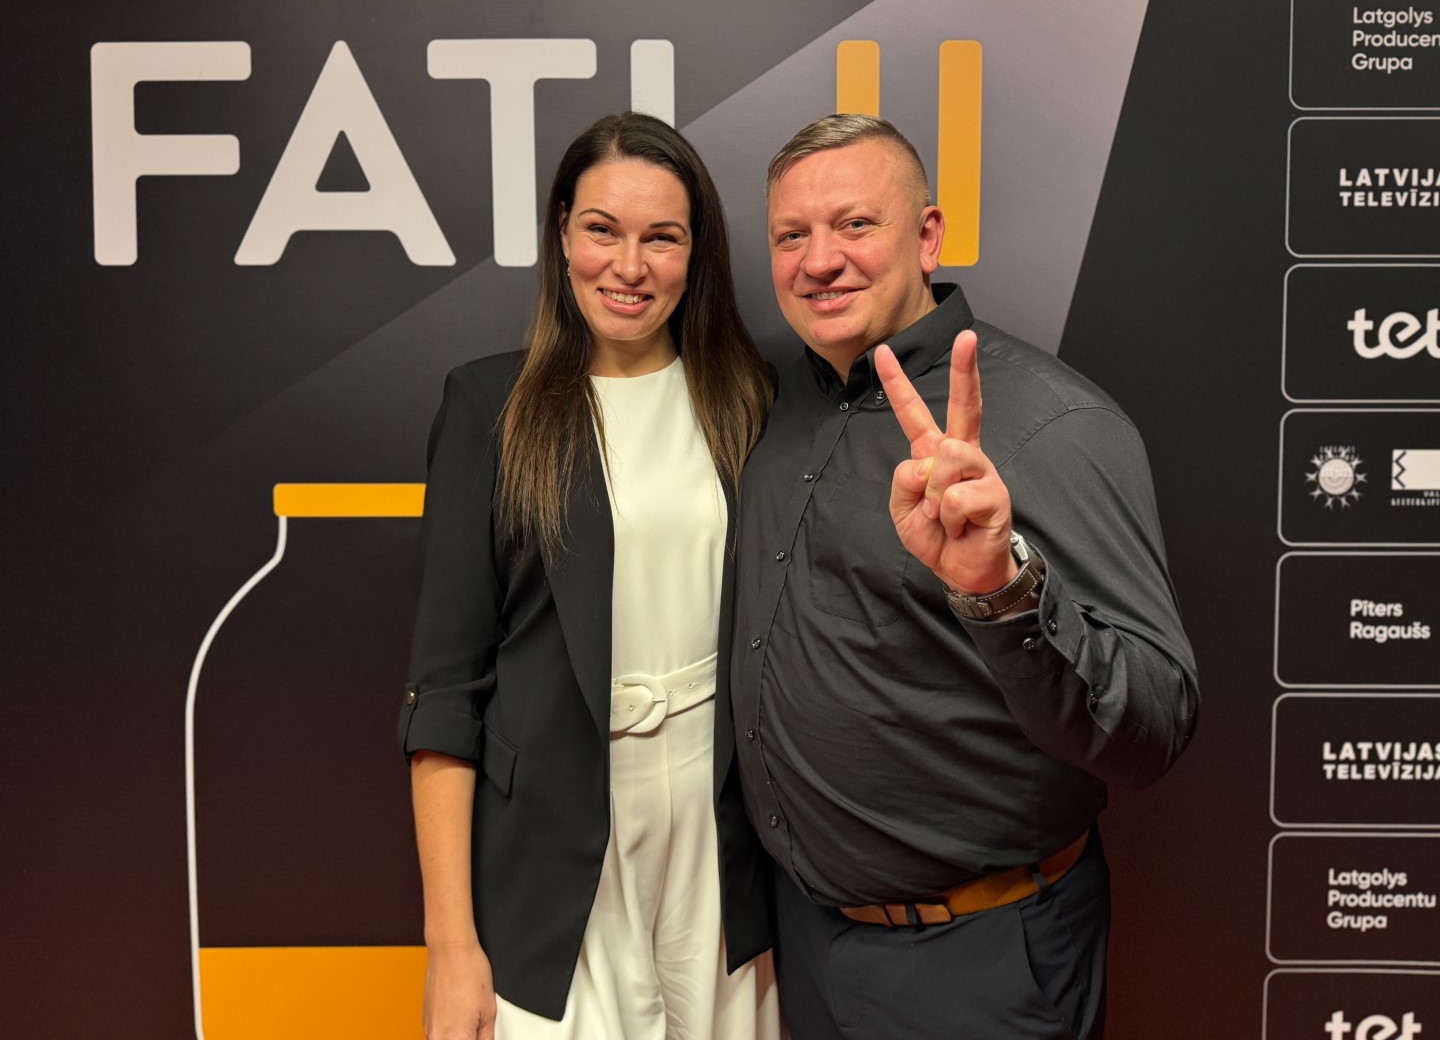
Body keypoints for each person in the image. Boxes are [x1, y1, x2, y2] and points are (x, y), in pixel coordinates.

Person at [731, 114, 1199, 1039]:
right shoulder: (780, 403)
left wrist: (1001, 587)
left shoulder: (1050, 426)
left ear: (928, 235)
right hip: (804, 945)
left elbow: (1156, 727)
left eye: (855, 225)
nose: (819, 260)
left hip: (978, 963)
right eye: (792, 235)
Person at [398, 112, 780, 1040]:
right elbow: (445, 694)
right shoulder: (490, 407)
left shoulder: (751, 400)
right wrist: (451, 946)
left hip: (722, 845)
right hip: (551, 856)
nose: (629, 266)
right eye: (602, 229)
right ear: (562, 234)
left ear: (698, 254)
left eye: (663, 237)